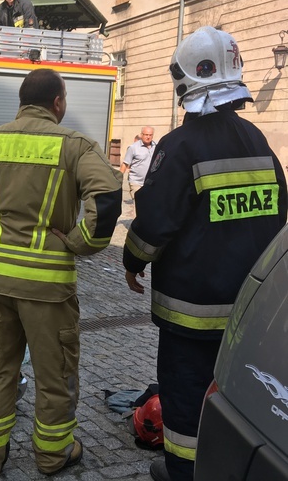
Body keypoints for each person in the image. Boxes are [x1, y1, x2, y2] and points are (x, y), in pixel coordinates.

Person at [0, 68, 122, 476]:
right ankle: (52, 456)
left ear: (21, 101)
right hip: (46, 284)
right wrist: (78, 242)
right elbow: (106, 199)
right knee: (56, 375)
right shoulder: (75, 145)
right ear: (58, 103)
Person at [122, 26, 287, 481]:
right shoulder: (260, 143)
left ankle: (183, 473)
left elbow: (153, 226)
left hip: (192, 318)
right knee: (238, 396)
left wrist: (132, 262)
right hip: (249, 314)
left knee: (186, 398)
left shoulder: (179, 146)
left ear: (184, 85)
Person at [120, 126, 155, 202]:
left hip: (150, 183)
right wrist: (118, 179)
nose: (148, 137)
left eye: (150, 135)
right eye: (146, 134)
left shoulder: (156, 147)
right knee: (139, 204)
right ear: (141, 135)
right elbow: (125, 164)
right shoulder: (133, 148)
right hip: (136, 182)